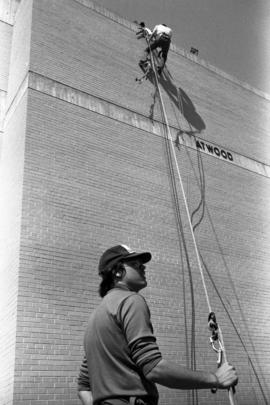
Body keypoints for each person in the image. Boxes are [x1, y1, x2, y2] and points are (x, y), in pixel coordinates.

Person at [83, 244, 238, 405]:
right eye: (135, 264)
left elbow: (84, 386)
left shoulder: (96, 315)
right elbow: (153, 368)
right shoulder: (130, 301)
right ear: (117, 271)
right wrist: (215, 379)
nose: (143, 267)